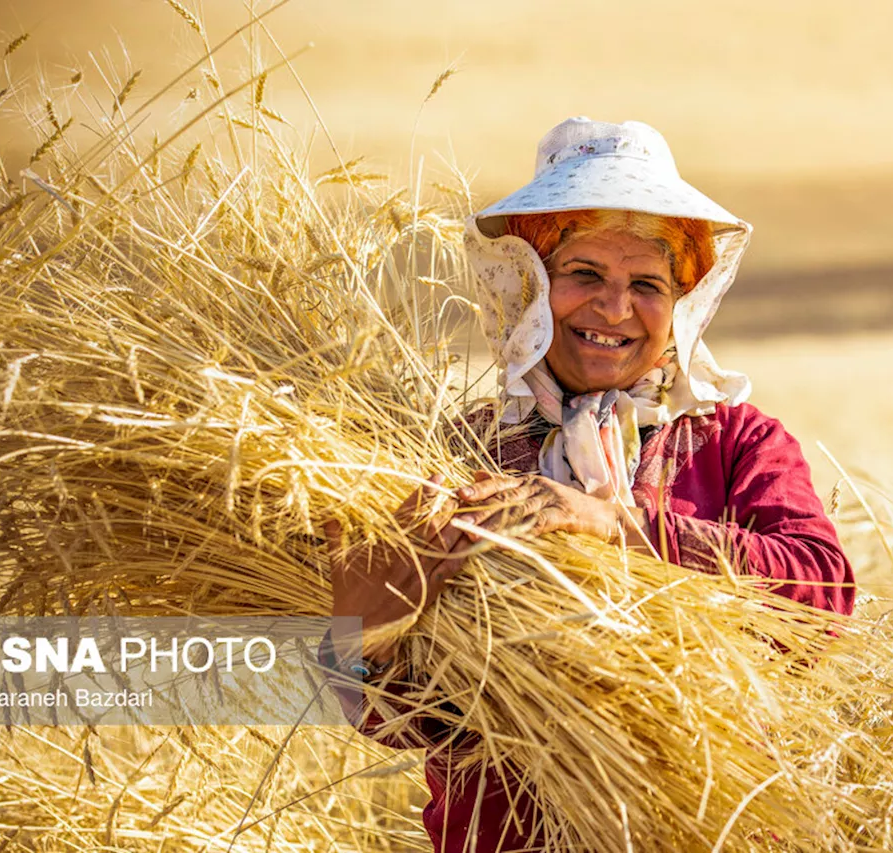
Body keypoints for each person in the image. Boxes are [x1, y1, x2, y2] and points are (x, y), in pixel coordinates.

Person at [321, 117, 855, 852]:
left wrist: (613, 526)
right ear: (531, 286)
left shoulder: (734, 442)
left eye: (646, 284)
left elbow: (821, 597)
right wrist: (360, 636)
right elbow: (414, 722)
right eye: (583, 276)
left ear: (682, 302)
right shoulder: (457, 455)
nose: (613, 309)